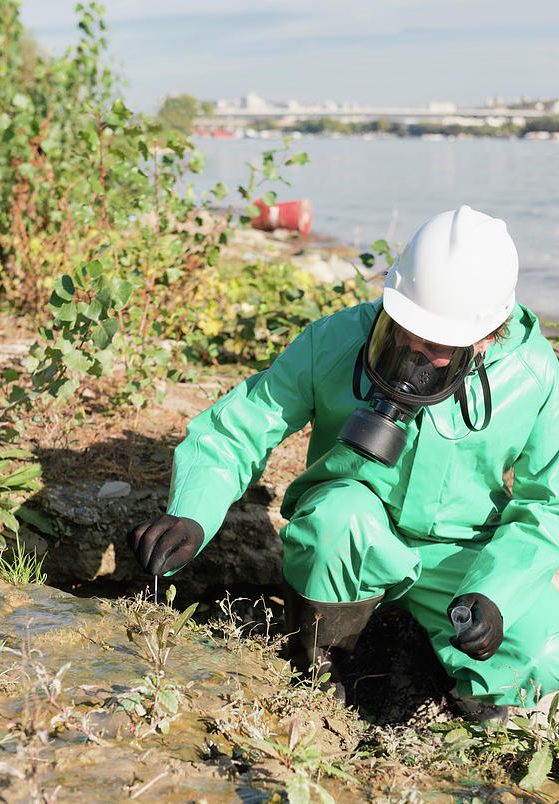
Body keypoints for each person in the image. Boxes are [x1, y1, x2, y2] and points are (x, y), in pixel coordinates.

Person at [128, 205, 559, 719]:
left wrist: (497, 594)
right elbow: (239, 426)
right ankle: (318, 671)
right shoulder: (336, 340)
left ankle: (476, 694)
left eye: (436, 344)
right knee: (337, 518)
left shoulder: (533, 374)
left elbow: (547, 504)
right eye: (403, 326)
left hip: (463, 554)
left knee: (540, 651)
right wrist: (194, 509)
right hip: (352, 532)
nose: (411, 349)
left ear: (489, 335)